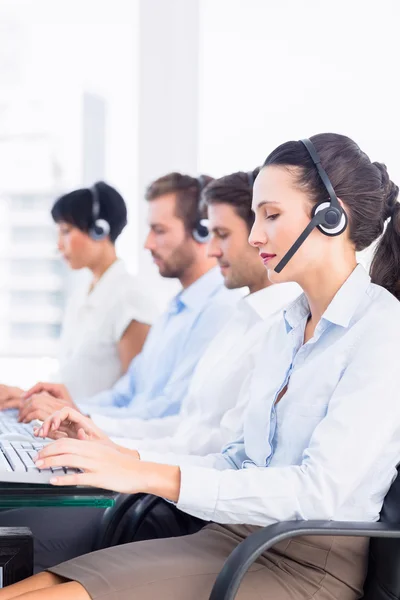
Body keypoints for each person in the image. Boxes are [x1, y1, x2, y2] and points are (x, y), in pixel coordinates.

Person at [4, 132, 400, 600]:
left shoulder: (382, 330)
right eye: (255, 217)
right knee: (24, 589)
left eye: (271, 215)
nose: (256, 236)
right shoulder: (285, 327)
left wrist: (149, 476)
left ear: (333, 218)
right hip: (235, 537)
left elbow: (318, 493)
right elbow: (237, 459)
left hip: (305, 565)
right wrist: (124, 458)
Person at [80, 169, 300, 451]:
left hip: (186, 481)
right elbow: (187, 425)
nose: (212, 250)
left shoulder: (272, 324)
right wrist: (96, 433)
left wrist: (118, 451)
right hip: (171, 469)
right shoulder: (239, 317)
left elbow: (223, 449)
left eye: (221, 234)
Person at [16, 173, 241, 427]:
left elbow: (169, 414)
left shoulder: (218, 311)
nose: (147, 244)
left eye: (159, 230)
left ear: (202, 232)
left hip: (147, 449)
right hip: (125, 436)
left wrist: (85, 419)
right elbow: (129, 392)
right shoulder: (175, 309)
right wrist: (73, 410)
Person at [0, 182, 158, 404]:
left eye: (65, 231)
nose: (58, 244)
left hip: (97, 430)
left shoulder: (130, 299)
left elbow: (135, 398)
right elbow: (74, 384)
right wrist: (23, 396)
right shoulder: (82, 296)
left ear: (99, 230)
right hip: (68, 422)